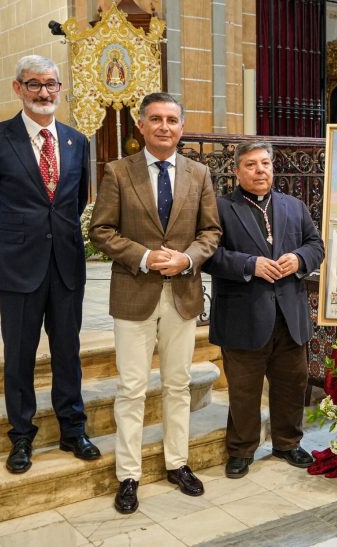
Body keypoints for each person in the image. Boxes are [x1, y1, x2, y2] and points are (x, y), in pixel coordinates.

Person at [0, 55, 100, 474]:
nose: (44, 92)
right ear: (18, 88)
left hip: (65, 266)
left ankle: (72, 429)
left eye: (51, 84)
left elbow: (74, 204)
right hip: (19, 266)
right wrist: (13, 240)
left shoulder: (78, 141)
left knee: (67, 351)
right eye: (35, 84)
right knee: (20, 354)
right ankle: (21, 435)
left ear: (60, 88)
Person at [89, 92, 222, 514]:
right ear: (141, 126)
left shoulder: (199, 173)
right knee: (131, 388)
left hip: (182, 292)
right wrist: (145, 257)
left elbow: (211, 232)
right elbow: (102, 230)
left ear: (181, 127)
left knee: (177, 384)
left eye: (171, 120)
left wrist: (187, 258)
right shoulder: (117, 171)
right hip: (134, 290)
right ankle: (128, 474)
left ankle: (176, 463)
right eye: (155, 119)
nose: (164, 126)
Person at [202, 141, 325, 479]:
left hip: (290, 313)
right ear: (238, 170)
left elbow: (316, 245)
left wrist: (299, 259)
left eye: (266, 163)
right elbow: (207, 255)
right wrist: (250, 264)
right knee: (244, 388)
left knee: (292, 383)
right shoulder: (220, 208)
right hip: (244, 314)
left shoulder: (294, 206)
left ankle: (287, 442)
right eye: (252, 164)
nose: (260, 171)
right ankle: (241, 449)